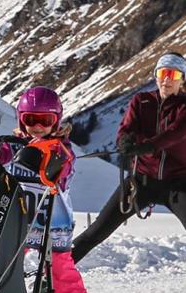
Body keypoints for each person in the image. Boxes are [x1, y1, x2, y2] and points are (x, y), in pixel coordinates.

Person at [0, 86, 93, 293]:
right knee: (4, 262)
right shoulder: (16, 145)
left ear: (56, 121)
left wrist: (38, 152)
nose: (37, 126)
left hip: (52, 221)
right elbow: (1, 155)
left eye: (45, 120)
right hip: (20, 218)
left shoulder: (62, 148)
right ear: (21, 119)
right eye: (31, 120)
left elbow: (63, 166)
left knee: (61, 269)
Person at [72, 52, 186, 264]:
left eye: (173, 74)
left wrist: (147, 146)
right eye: (162, 73)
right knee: (96, 231)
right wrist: (125, 141)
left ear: (182, 79)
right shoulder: (141, 101)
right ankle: (48, 280)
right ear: (156, 76)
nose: (167, 79)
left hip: (178, 184)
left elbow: (176, 133)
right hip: (140, 181)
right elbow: (127, 129)